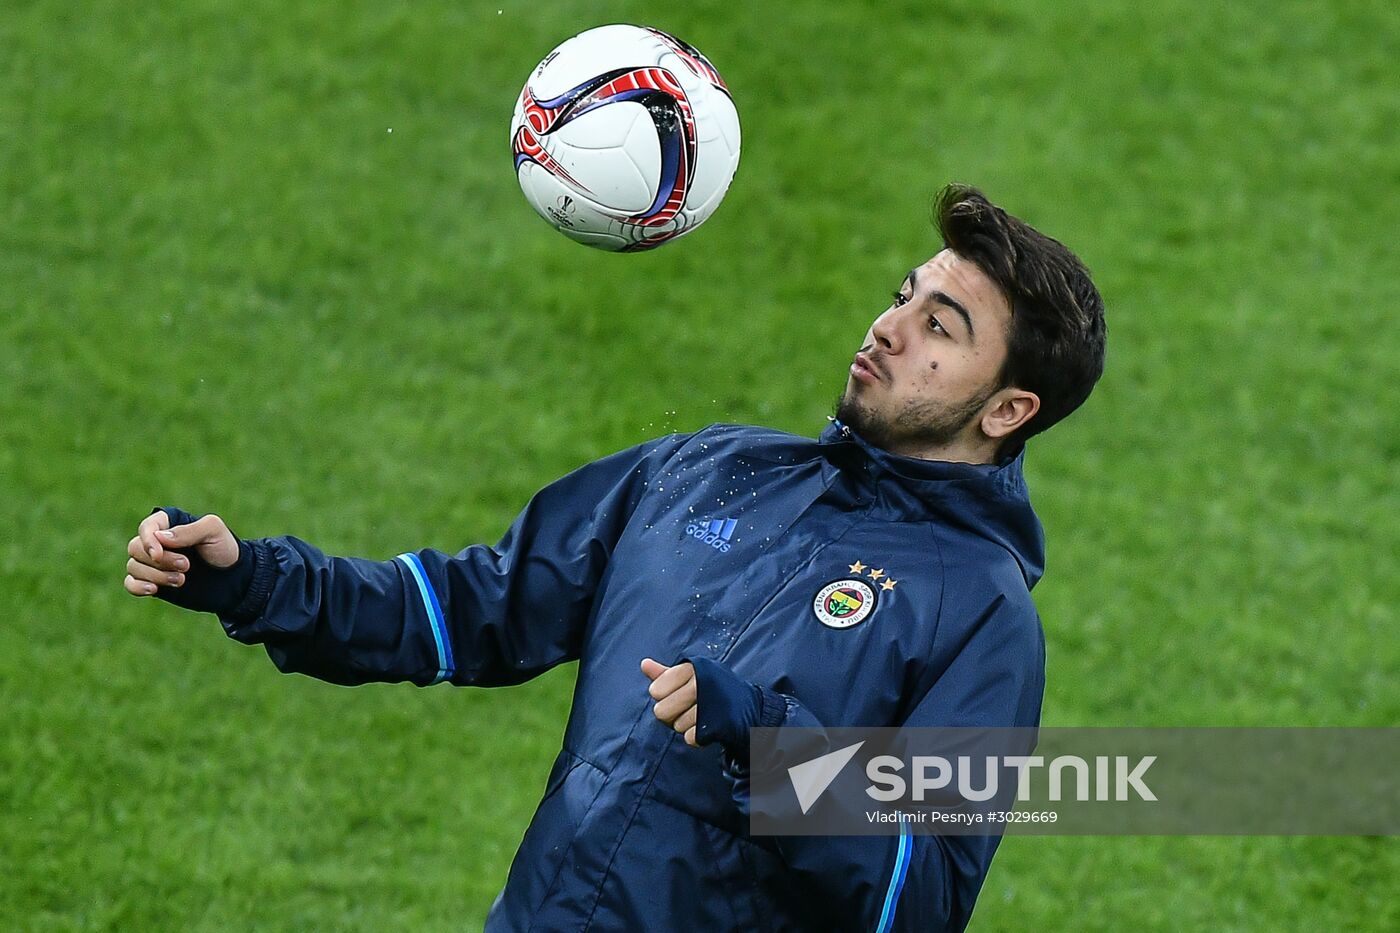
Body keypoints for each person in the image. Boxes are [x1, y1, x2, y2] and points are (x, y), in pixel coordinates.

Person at [122, 184, 1106, 932]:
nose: (887, 329)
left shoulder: (978, 615)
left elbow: (917, 893)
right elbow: (473, 606)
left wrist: (768, 744)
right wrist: (252, 578)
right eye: (902, 298)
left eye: (939, 328)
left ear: (1007, 408)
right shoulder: (712, 469)